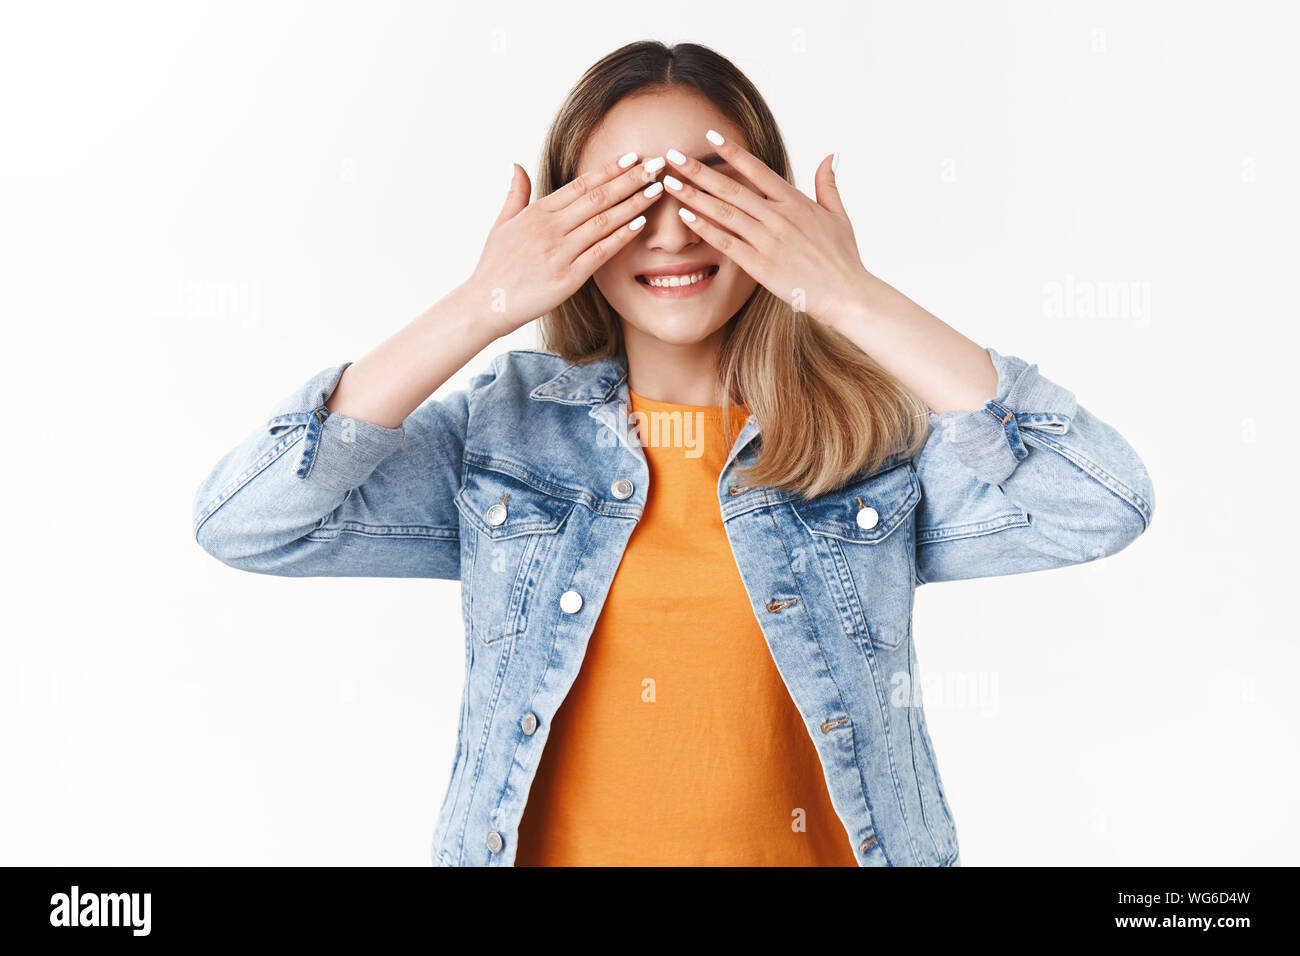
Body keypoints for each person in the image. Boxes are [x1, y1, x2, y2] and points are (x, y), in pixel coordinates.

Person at [192, 41, 1155, 866]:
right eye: (622, 195)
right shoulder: (503, 437)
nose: (667, 229)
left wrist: (850, 296)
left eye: (707, 187)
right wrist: (482, 304)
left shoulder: (867, 444)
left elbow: (1100, 502)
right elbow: (247, 521)